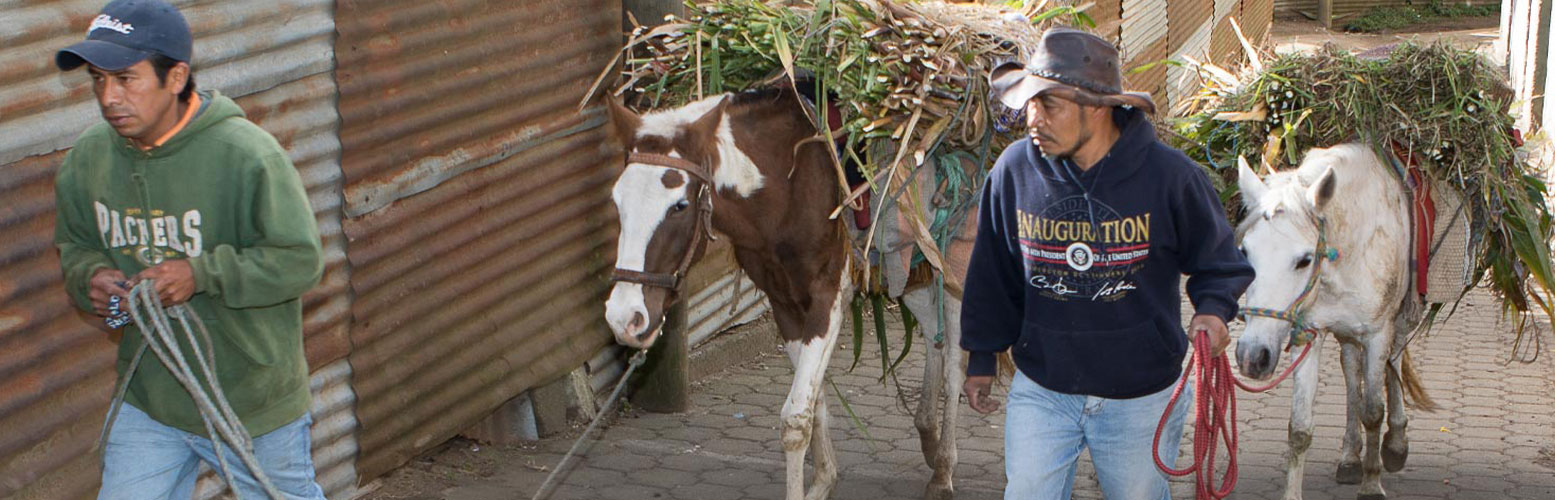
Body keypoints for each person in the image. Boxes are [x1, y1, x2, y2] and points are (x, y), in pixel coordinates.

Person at [959, 27, 1255, 499]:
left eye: (1047, 104)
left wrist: (1214, 310)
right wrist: (980, 356)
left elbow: (1221, 264)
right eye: (1028, 103)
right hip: (1044, 388)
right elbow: (993, 272)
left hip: (1140, 396)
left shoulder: (1171, 178)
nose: (1031, 118)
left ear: (1096, 106)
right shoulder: (1013, 171)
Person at [52, 0, 326, 497]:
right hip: (152, 399)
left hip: (250, 401)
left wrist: (202, 275)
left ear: (176, 77)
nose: (108, 96)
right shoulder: (88, 157)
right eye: (97, 80)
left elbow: (300, 262)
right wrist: (89, 275)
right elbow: (75, 243)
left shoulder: (247, 155)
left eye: (125, 79)